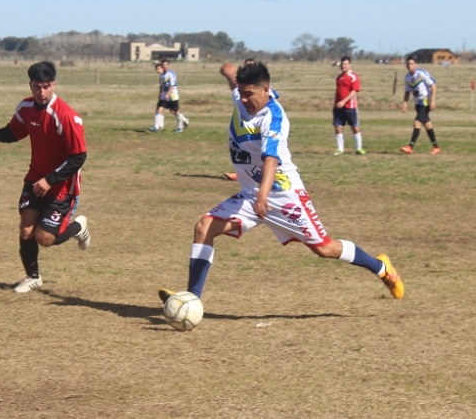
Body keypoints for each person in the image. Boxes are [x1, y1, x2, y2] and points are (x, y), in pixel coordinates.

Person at [159, 61, 404, 312]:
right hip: (252, 196)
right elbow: (231, 76)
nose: (243, 99)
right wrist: (228, 70)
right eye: (241, 93)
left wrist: (263, 196)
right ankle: (192, 298)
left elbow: (271, 160)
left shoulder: (273, 118)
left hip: (284, 197)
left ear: (266, 90)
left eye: (249, 94)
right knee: (204, 227)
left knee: (325, 248)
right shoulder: (242, 96)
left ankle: (381, 267)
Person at [0, 61, 91, 293]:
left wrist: (50, 180)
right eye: (37, 87)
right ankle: (33, 277)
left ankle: (78, 227)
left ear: (54, 85)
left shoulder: (66, 116)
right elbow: (14, 132)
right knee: (26, 230)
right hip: (35, 178)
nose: (41, 92)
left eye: (46, 86)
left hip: (62, 186)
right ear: (30, 85)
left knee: (44, 238)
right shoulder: (26, 108)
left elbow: (79, 157)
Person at [400, 56, 441, 154]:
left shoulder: (421, 73)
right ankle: (436, 147)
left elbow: (433, 85)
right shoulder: (407, 77)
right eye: (408, 64)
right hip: (417, 103)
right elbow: (407, 91)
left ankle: (410, 147)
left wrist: (433, 100)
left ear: (415, 64)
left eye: (411, 63)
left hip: (425, 102)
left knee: (417, 122)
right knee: (427, 125)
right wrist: (405, 102)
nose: (409, 66)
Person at [333, 55, 366, 155]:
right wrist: (336, 103)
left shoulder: (353, 77)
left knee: (354, 127)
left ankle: (359, 148)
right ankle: (340, 148)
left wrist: (344, 101)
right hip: (338, 107)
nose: (343, 66)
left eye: (345, 64)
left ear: (350, 65)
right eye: (342, 64)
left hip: (350, 106)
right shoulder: (339, 77)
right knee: (338, 127)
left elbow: (354, 91)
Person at [148, 59, 189, 133]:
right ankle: (156, 127)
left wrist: (168, 94)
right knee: (159, 110)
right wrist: (160, 94)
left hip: (172, 96)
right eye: (163, 65)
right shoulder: (162, 75)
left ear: (168, 65)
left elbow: (172, 85)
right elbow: (161, 86)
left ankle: (181, 125)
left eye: (166, 64)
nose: (165, 66)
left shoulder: (171, 74)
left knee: (175, 112)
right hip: (164, 96)